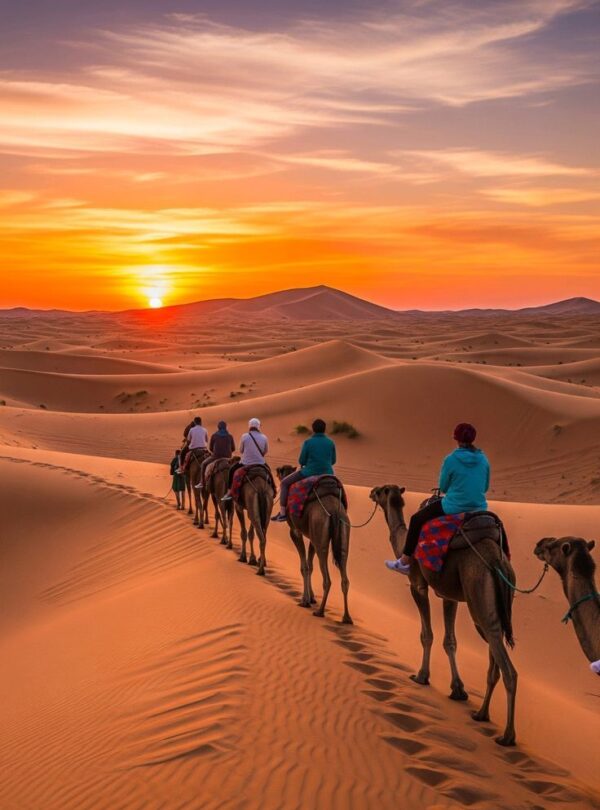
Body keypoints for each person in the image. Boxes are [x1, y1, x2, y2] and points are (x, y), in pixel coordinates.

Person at [386, 423, 490, 575]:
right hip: (479, 508)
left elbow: (444, 487)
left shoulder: (451, 459)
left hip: (454, 506)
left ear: (456, 439)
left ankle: (404, 562)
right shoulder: (484, 459)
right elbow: (485, 488)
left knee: (416, 519)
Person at [272, 418, 336, 522]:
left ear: (313, 429)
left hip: (309, 472)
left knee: (284, 483)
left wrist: (307, 464)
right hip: (328, 474)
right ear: (324, 429)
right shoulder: (331, 443)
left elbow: (301, 460)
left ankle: (283, 513)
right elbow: (333, 461)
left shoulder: (308, 442)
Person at [221, 418, 269, 501]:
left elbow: (241, 450)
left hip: (246, 463)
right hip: (260, 463)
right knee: (269, 472)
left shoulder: (244, 436)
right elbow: (265, 451)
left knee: (232, 470)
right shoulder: (264, 437)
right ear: (258, 427)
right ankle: (274, 489)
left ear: (249, 426)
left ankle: (229, 492)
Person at [194, 420, 236, 490]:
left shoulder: (214, 435)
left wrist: (216, 452)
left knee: (203, 464)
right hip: (228, 458)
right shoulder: (230, 436)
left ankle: (202, 482)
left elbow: (210, 448)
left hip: (216, 457)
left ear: (218, 427)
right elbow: (233, 448)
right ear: (225, 427)